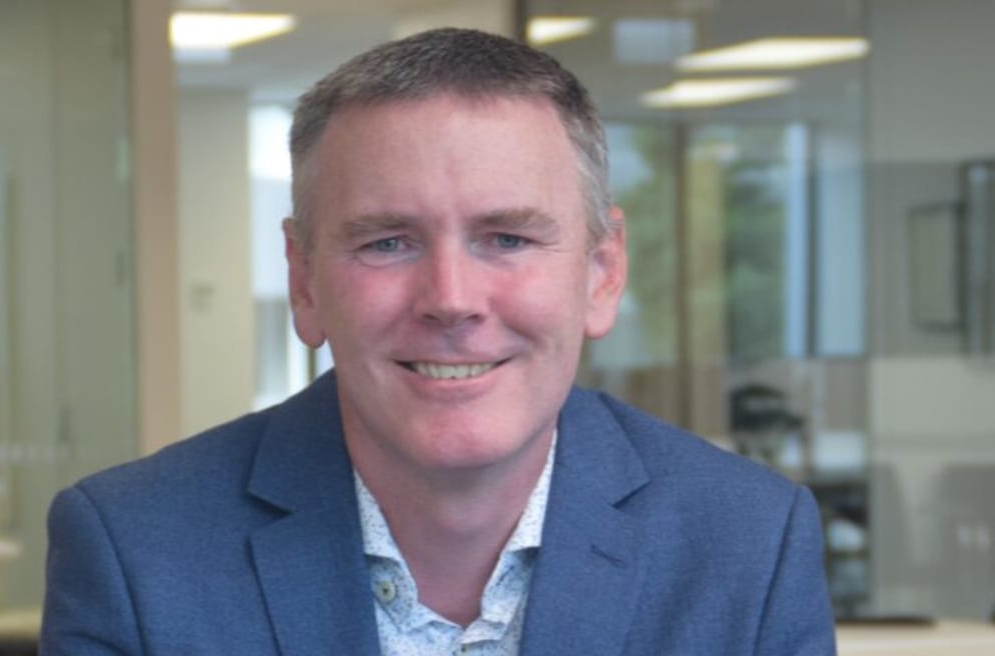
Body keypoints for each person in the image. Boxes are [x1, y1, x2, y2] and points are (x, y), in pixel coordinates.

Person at [41, 27, 835, 655]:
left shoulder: (747, 546)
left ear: (601, 272)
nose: (451, 300)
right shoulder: (135, 552)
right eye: (387, 242)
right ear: (306, 280)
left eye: (508, 239)